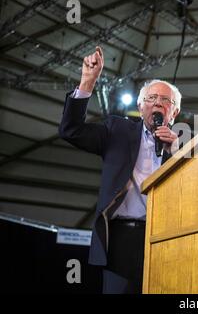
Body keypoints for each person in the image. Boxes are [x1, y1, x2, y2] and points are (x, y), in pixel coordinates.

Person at [59, 46, 181, 293]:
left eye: (165, 100)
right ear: (140, 104)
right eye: (151, 98)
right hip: (120, 240)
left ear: (174, 112)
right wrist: (87, 82)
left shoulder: (184, 147)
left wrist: (174, 153)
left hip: (165, 240)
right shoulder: (117, 129)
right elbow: (71, 131)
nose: (157, 102)